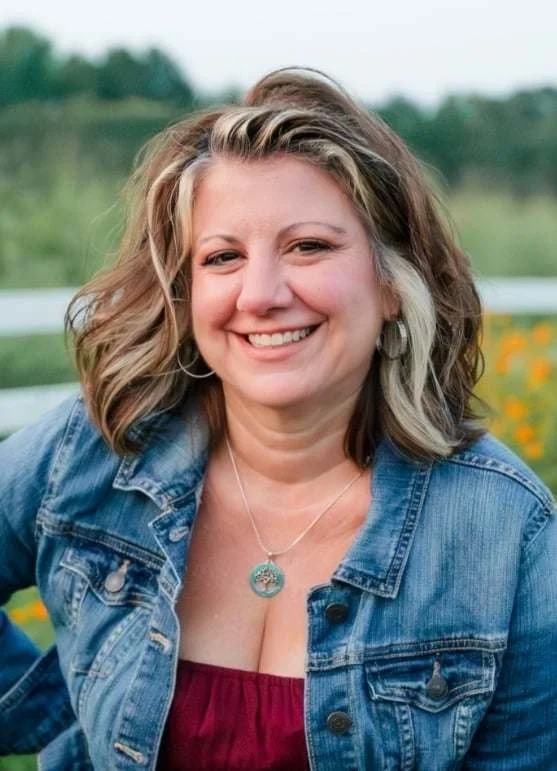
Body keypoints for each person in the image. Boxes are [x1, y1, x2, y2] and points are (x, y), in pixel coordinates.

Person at [1, 68, 556, 771]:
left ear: (391, 281)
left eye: (308, 247)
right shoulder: (89, 451)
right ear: (187, 290)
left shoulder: (504, 529)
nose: (260, 295)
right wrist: (60, 707)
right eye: (223, 256)